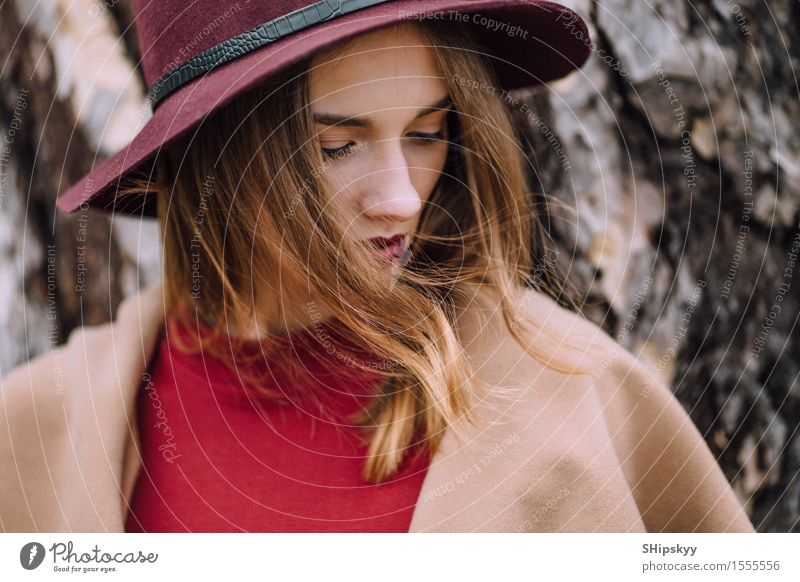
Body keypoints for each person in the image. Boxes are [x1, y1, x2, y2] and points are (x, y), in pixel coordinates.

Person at [0, 0, 755, 533]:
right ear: (210, 153)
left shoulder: (577, 395)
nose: (400, 199)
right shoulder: (40, 430)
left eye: (428, 133)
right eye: (338, 147)